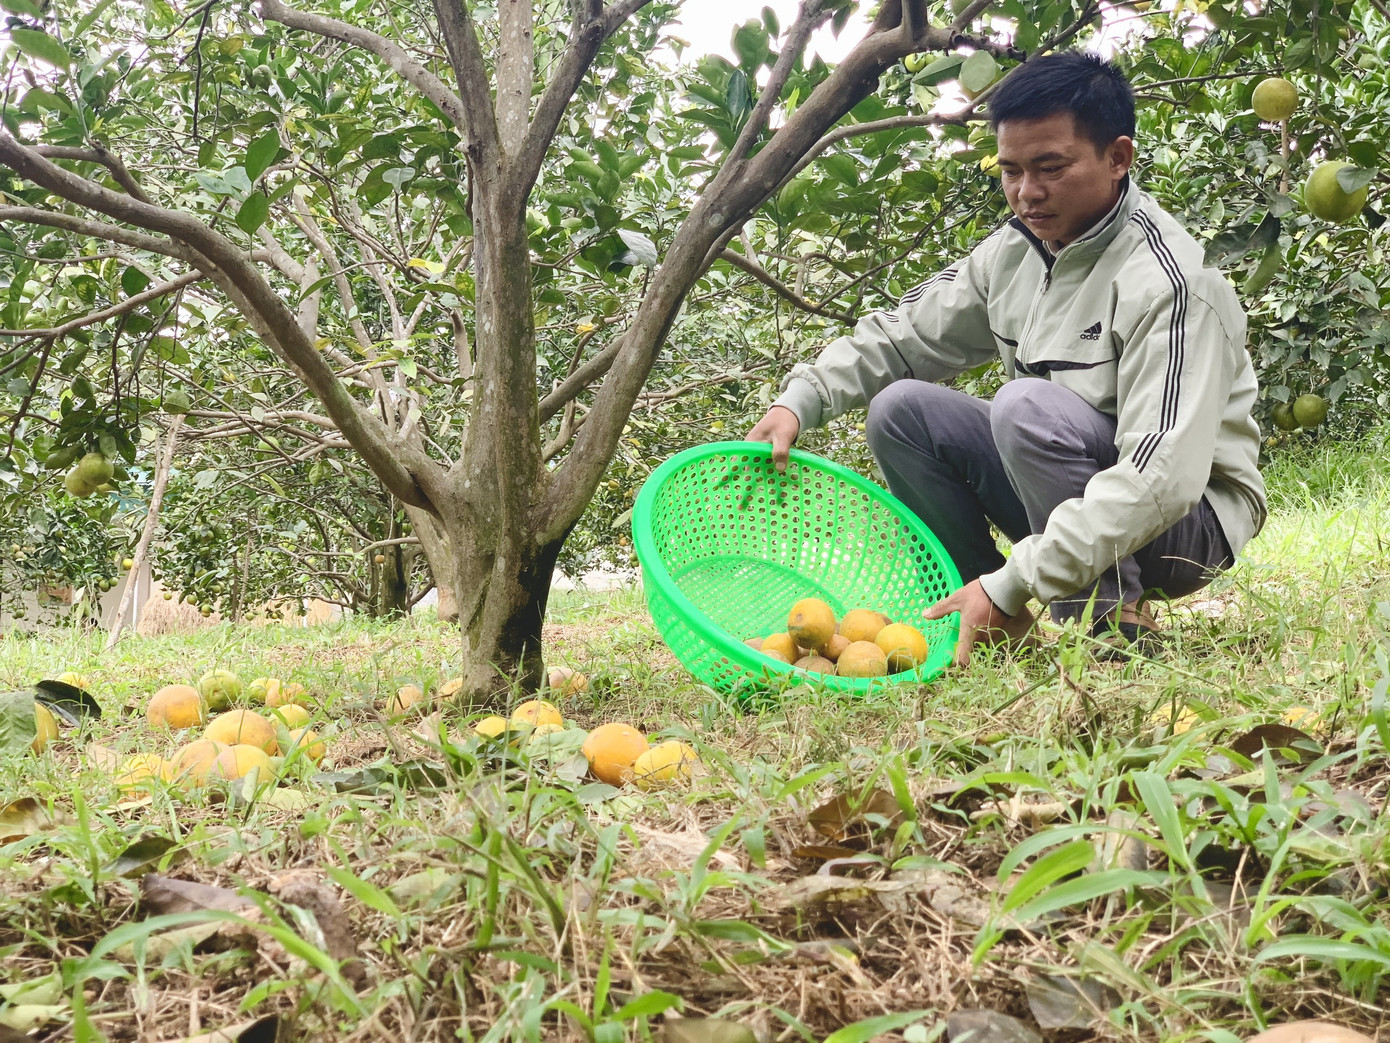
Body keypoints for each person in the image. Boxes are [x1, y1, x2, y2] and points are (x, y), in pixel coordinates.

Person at [747, 50, 1266, 666]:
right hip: (1065, 497)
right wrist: (798, 400)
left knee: (1026, 406)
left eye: (1050, 167)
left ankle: (1107, 624)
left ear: (1117, 158)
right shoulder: (1014, 254)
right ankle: (983, 619)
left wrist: (1015, 577)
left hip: (1188, 525)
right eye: (1011, 170)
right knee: (901, 410)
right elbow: (902, 336)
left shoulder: (1169, 282)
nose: (1026, 193)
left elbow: (1163, 478)